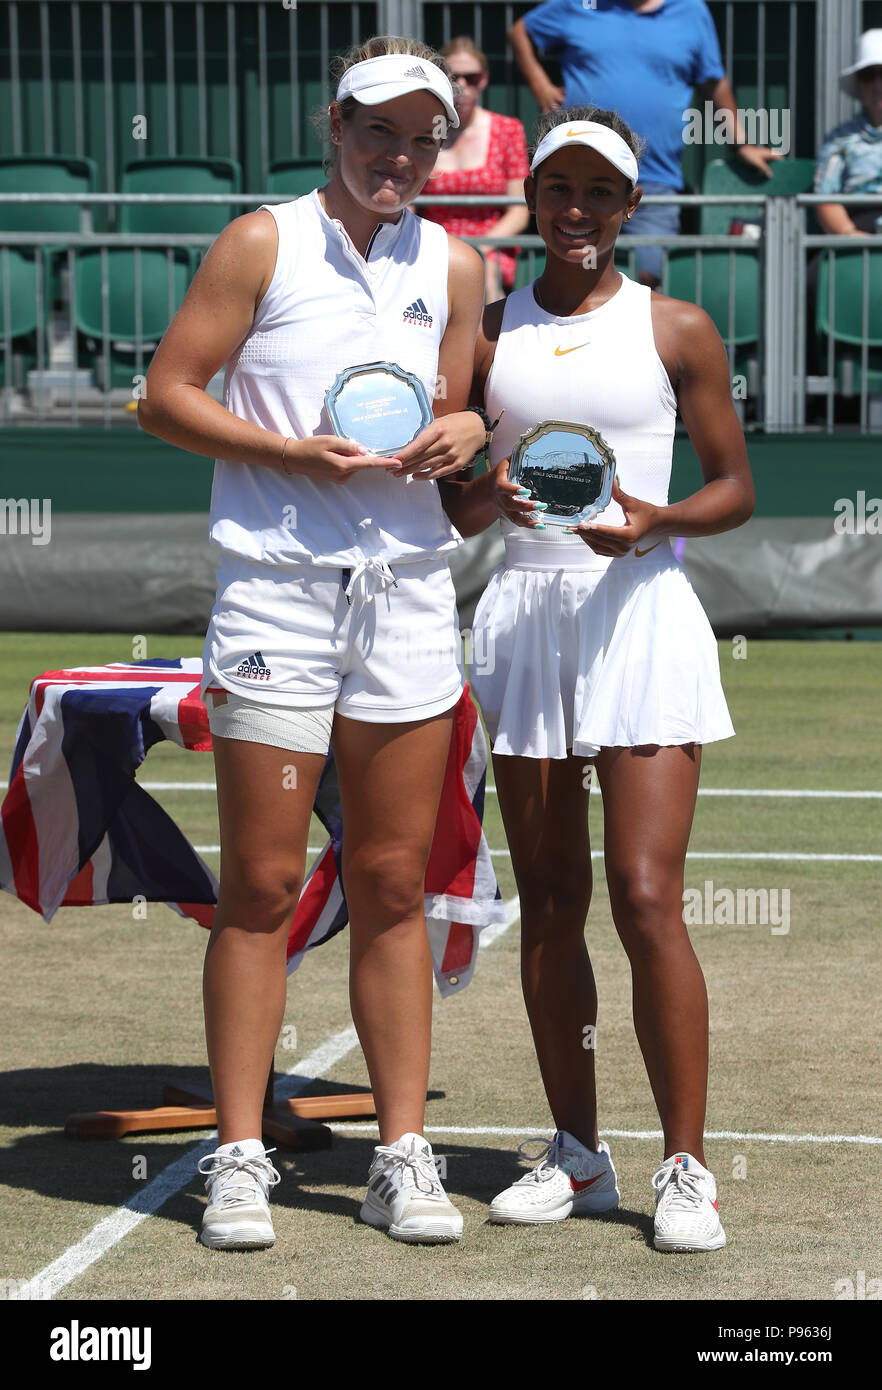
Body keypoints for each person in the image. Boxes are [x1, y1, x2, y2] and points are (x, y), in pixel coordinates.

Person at [138, 35, 488, 1250]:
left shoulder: (457, 262)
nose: (399, 154)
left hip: (405, 599)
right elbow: (165, 391)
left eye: (422, 134)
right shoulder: (260, 238)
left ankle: (401, 1153)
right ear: (335, 125)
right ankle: (238, 1155)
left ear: (443, 142)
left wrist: (461, 432)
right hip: (277, 595)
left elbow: (458, 412)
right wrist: (287, 451)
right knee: (265, 886)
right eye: (378, 129)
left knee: (395, 882)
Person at [438, 107, 754, 1251]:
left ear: (630, 206)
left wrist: (659, 519)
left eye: (599, 193)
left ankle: (686, 1168)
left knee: (645, 895)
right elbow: (455, 501)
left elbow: (736, 487)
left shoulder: (679, 328)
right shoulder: (486, 337)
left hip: (641, 609)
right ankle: (578, 1155)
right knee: (554, 903)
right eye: (558, 190)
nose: (575, 211)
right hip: (522, 613)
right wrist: (494, 499)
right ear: (540, 198)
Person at [509, 0, 783, 286]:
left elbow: (714, 83)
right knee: (572, 268)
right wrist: (541, 85)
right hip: (577, 179)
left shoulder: (690, 11)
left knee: (647, 273)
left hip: (654, 179)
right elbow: (521, 31)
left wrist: (741, 144)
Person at [419, 37, 530, 301]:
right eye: (453, 76)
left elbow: (519, 210)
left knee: (482, 269)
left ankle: (486, 339)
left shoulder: (507, 129)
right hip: (434, 242)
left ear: (484, 80)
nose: (462, 85)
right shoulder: (424, 131)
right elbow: (409, 205)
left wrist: (481, 245)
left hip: (492, 242)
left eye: (472, 78)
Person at [814, 31, 882, 236]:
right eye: (868, 75)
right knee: (812, 269)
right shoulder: (839, 139)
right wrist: (852, 236)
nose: (878, 85)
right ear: (859, 84)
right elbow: (825, 198)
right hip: (856, 231)